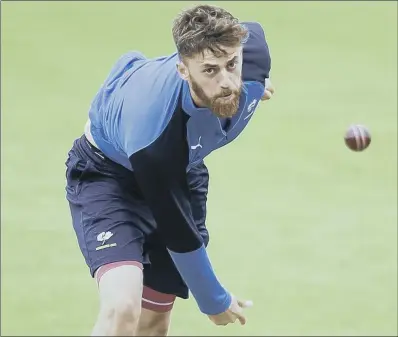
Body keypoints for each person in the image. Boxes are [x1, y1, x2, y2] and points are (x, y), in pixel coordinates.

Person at [65, 4, 274, 336]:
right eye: (209, 70)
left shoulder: (253, 55)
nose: (225, 82)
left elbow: (242, 46)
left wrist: (256, 84)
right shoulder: (156, 139)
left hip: (181, 169)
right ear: (183, 70)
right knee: (122, 308)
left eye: (231, 64)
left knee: (153, 320)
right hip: (108, 176)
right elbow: (178, 232)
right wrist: (214, 300)